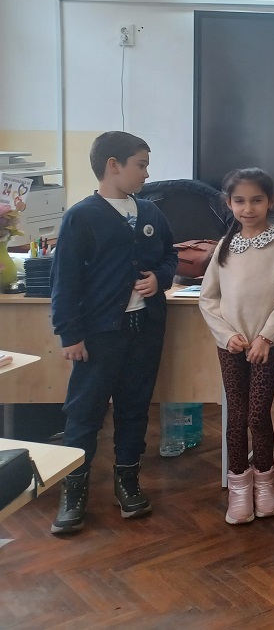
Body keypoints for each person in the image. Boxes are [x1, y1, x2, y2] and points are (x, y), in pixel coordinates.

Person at [49, 131, 178, 536]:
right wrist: (70, 334)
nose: (147, 173)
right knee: (84, 413)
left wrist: (159, 278)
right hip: (100, 335)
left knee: (134, 407)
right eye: (141, 164)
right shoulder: (82, 216)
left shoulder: (151, 213)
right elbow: (64, 281)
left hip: (144, 330)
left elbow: (170, 255)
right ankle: (74, 490)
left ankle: (128, 481)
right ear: (113, 165)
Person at [200, 168, 274, 524]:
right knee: (236, 417)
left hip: (265, 345)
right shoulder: (224, 246)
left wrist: (266, 336)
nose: (248, 208)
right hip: (231, 345)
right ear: (229, 203)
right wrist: (226, 334)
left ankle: (265, 484)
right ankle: (239, 488)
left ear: (270, 201)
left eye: (256, 200)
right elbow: (208, 298)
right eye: (240, 201)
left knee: (258, 416)